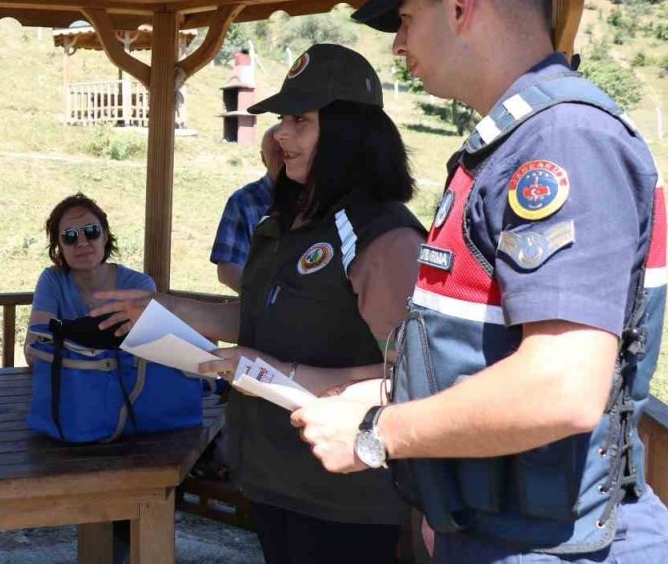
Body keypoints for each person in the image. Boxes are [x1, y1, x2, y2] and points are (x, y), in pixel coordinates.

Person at [293, 0, 668, 563]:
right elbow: (485, 351)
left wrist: (378, 432)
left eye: (406, 18)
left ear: (460, 5)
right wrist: (388, 392)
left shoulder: (563, 140)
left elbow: (561, 386)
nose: (399, 44)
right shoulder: (514, 143)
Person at [93, 44, 424, 564]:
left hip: (342, 495)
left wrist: (272, 370)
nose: (279, 136)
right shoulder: (286, 221)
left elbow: (410, 376)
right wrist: (160, 308)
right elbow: (256, 318)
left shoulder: (384, 236)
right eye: (280, 121)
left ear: (347, 134)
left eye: (299, 121)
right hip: (272, 479)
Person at [28, 193, 154, 329]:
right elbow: (35, 342)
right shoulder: (53, 280)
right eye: (70, 236)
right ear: (59, 245)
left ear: (105, 237)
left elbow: (152, 346)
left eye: (91, 231)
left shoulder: (139, 286)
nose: (82, 242)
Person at [210, 125, 282, 291]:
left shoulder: (315, 198)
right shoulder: (244, 201)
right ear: (263, 159)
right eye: (277, 152)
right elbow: (228, 270)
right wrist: (264, 301)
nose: (284, 158)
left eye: (288, 152)